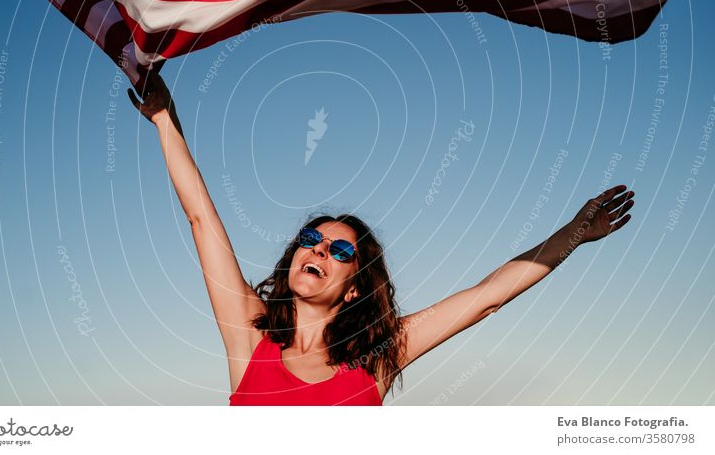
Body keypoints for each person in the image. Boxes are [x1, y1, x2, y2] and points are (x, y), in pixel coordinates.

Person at [127, 70, 635, 406]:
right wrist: (164, 120)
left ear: (354, 287)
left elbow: (484, 299)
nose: (321, 248)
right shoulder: (247, 338)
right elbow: (201, 219)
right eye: (312, 238)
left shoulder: (378, 356)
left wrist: (572, 235)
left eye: (341, 250)